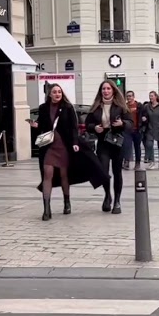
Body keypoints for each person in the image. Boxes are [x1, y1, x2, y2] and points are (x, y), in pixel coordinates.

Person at [31, 84, 105, 218]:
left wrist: (75, 143)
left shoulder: (68, 107)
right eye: (54, 92)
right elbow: (41, 125)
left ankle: (67, 201)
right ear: (50, 94)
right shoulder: (43, 108)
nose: (57, 94)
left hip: (63, 146)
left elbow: (73, 128)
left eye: (59, 92)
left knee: (64, 175)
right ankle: (46, 209)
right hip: (48, 147)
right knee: (47, 175)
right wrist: (35, 125)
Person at [85, 80, 132, 214]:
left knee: (117, 172)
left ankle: (117, 200)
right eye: (103, 89)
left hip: (117, 142)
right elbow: (87, 124)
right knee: (104, 171)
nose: (105, 91)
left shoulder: (121, 106)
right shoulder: (96, 107)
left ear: (113, 90)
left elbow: (130, 124)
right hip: (103, 141)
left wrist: (122, 123)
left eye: (108, 89)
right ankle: (107, 196)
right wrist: (94, 127)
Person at [123, 90, 143, 169]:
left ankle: (137, 163)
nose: (129, 98)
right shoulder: (124, 106)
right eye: (127, 96)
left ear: (133, 97)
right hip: (127, 130)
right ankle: (126, 162)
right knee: (126, 146)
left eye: (130, 96)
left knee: (137, 147)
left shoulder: (138, 105)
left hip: (137, 129)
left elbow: (143, 114)